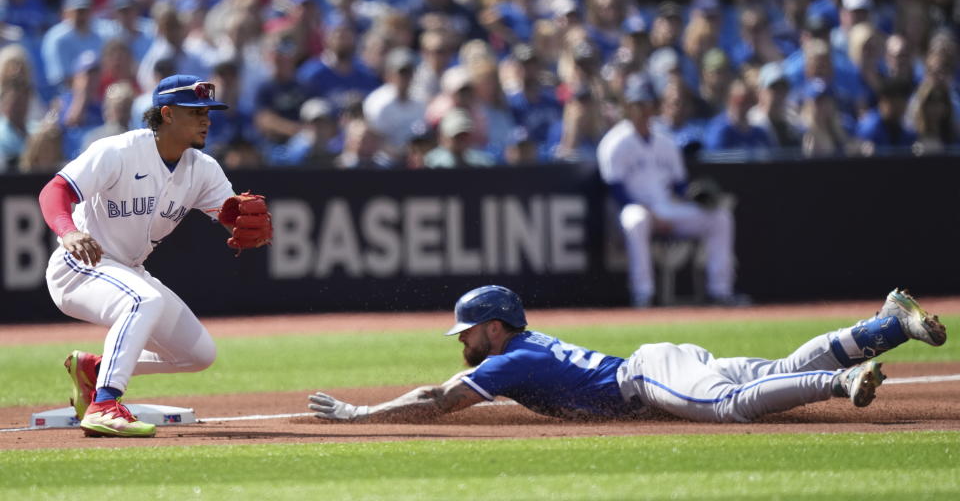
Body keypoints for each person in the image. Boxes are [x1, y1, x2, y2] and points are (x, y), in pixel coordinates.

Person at [308, 285, 946, 424]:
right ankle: (886, 324)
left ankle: (844, 381)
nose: (464, 344)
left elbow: (435, 400)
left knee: (729, 408)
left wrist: (358, 415)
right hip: (658, 365)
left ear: (495, 328)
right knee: (779, 369)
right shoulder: (520, 348)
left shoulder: (510, 360)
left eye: (467, 333)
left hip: (647, 374)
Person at [38, 74, 272, 438]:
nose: (206, 119)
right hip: (81, 267)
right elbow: (54, 191)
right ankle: (104, 403)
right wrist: (68, 232)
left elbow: (229, 218)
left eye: (208, 111)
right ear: (166, 114)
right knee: (142, 300)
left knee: (198, 354)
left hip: (129, 270)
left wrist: (245, 230)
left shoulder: (202, 169)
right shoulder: (118, 151)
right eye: (195, 112)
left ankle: (96, 370)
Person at [597, 79, 740, 307]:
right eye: (637, 104)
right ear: (628, 107)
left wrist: (694, 195)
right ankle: (643, 293)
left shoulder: (665, 141)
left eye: (646, 104)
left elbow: (679, 184)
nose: (643, 110)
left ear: (654, 106)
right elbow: (616, 191)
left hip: (668, 207)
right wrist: (652, 214)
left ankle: (720, 291)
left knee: (720, 218)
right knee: (635, 220)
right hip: (636, 209)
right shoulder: (614, 142)